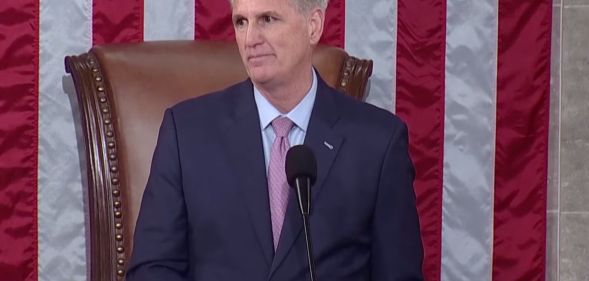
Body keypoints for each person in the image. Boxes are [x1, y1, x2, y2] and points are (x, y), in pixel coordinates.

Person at [126, 0, 423, 279]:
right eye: (241, 22)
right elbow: (153, 270)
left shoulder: (377, 143)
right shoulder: (186, 133)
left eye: (267, 19)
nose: (250, 38)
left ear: (313, 25)